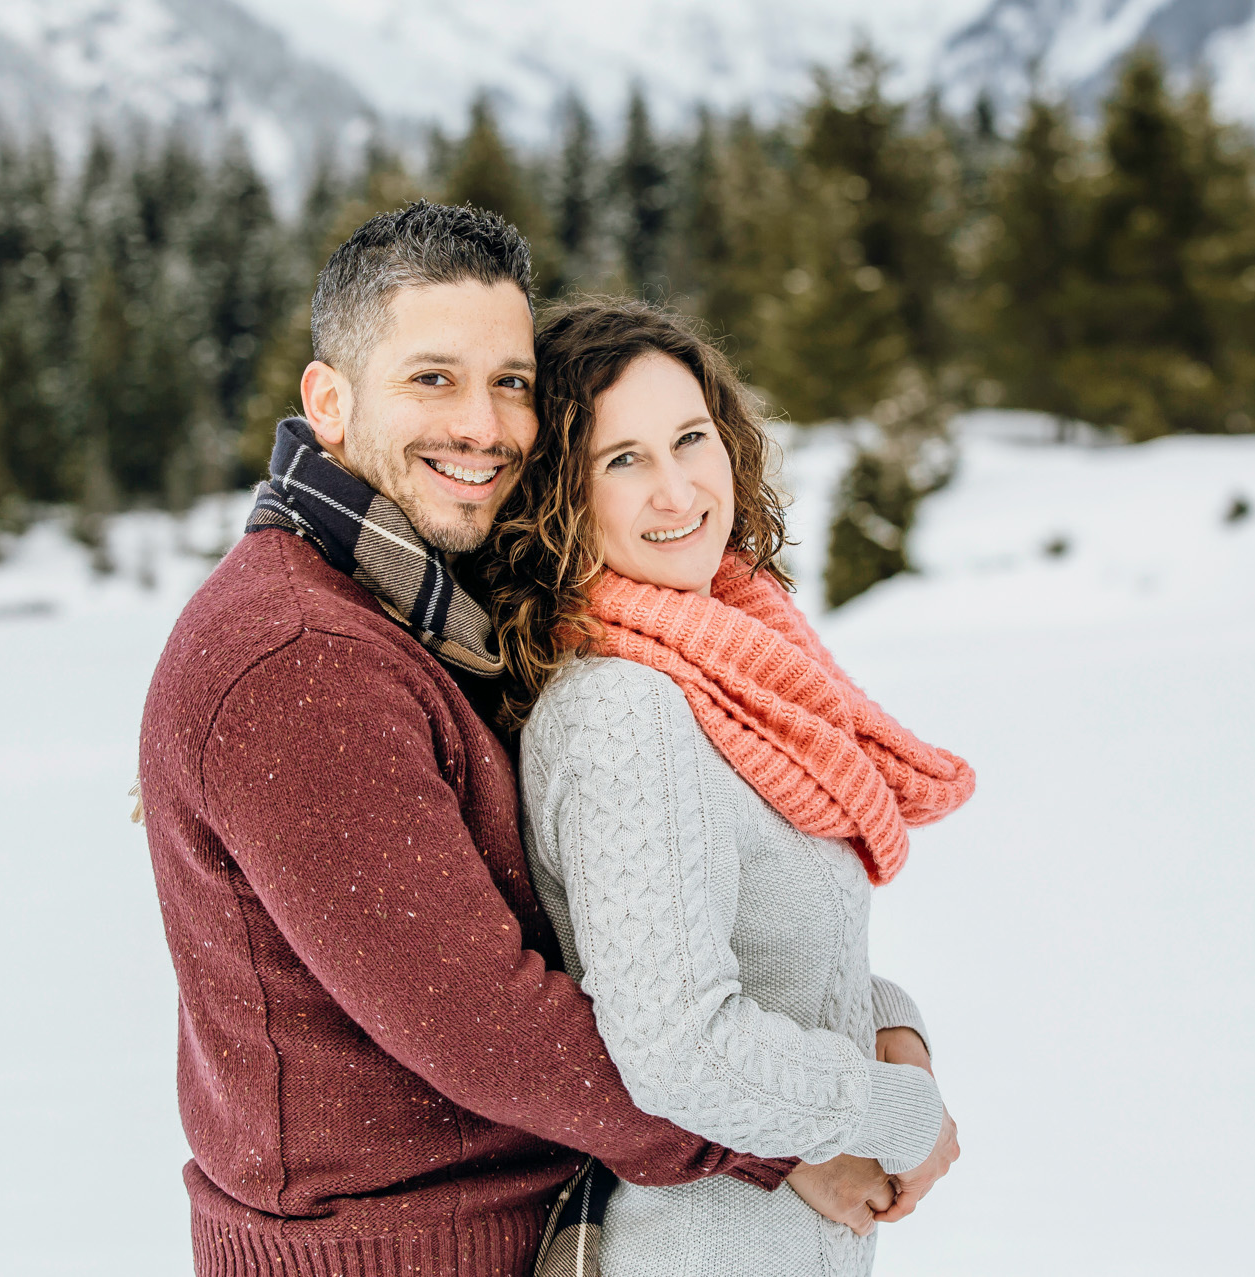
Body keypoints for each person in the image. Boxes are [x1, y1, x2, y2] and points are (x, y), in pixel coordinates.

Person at [135, 202, 919, 1276]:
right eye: (430, 378)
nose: (483, 424)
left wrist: (878, 1027)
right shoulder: (302, 658)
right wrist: (777, 1145)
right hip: (392, 1252)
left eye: (509, 382)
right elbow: (486, 1023)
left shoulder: (421, 623)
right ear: (328, 400)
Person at [483, 296, 976, 1275]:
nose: (677, 491)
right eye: (622, 460)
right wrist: (897, 1111)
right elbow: (680, 1046)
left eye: (688, 439)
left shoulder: (725, 673)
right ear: (555, 496)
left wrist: (889, 1021)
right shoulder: (625, 708)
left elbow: (748, 937)